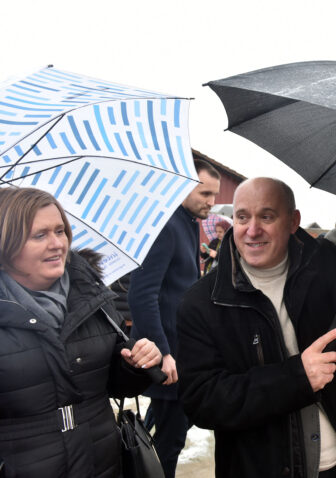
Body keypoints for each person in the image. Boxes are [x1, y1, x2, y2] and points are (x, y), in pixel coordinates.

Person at [177, 153, 336, 478]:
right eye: (242, 217)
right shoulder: (203, 302)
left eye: (267, 216)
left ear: (293, 221)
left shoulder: (324, 266)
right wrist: (296, 378)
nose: (252, 230)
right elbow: (201, 401)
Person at [0, 187, 162, 478]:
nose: (56, 244)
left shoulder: (90, 294)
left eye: (60, 231)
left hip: (102, 462)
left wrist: (134, 364)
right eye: (40, 235)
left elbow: (115, 385)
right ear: (6, 243)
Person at [128, 158, 221, 478]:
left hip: (183, 353)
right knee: (169, 444)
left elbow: (181, 288)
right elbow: (141, 295)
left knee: (164, 433)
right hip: (167, 358)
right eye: (205, 193)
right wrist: (163, 352)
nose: (212, 201)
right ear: (182, 187)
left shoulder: (189, 223)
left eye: (214, 194)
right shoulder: (166, 227)